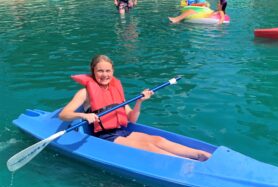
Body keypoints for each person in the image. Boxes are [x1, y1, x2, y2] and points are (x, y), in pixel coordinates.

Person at [59, 55, 211, 161]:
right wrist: (84, 116)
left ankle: (198, 154)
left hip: (122, 131)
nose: (104, 75)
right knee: (148, 147)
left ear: (112, 71)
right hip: (106, 137)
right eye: (100, 71)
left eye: (108, 71)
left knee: (157, 140)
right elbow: (64, 114)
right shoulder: (85, 93)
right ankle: (185, 163)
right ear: (93, 72)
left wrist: (140, 101)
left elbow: (131, 118)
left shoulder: (115, 89)